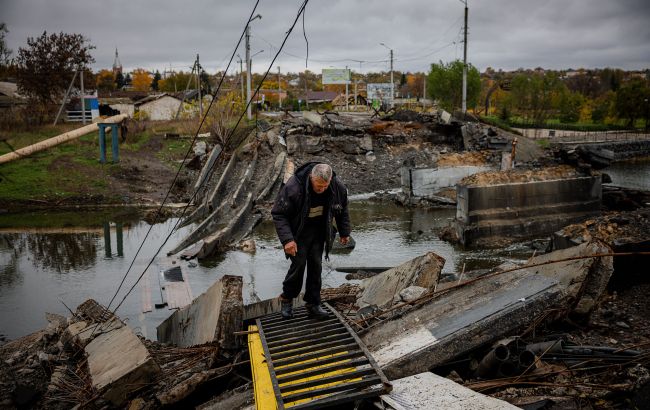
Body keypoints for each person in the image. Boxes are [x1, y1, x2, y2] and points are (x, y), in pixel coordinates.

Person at [271, 162, 351, 319]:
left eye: (324, 186)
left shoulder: (337, 187)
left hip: (320, 231)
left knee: (316, 266)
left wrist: (344, 232)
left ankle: (313, 304)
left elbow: (342, 209)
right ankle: (287, 299)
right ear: (310, 177)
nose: (321, 190)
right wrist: (287, 240)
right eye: (317, 186)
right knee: (298, 265)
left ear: (329, 181)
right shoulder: (294, 187)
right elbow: (279, 214)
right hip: (299, 232)